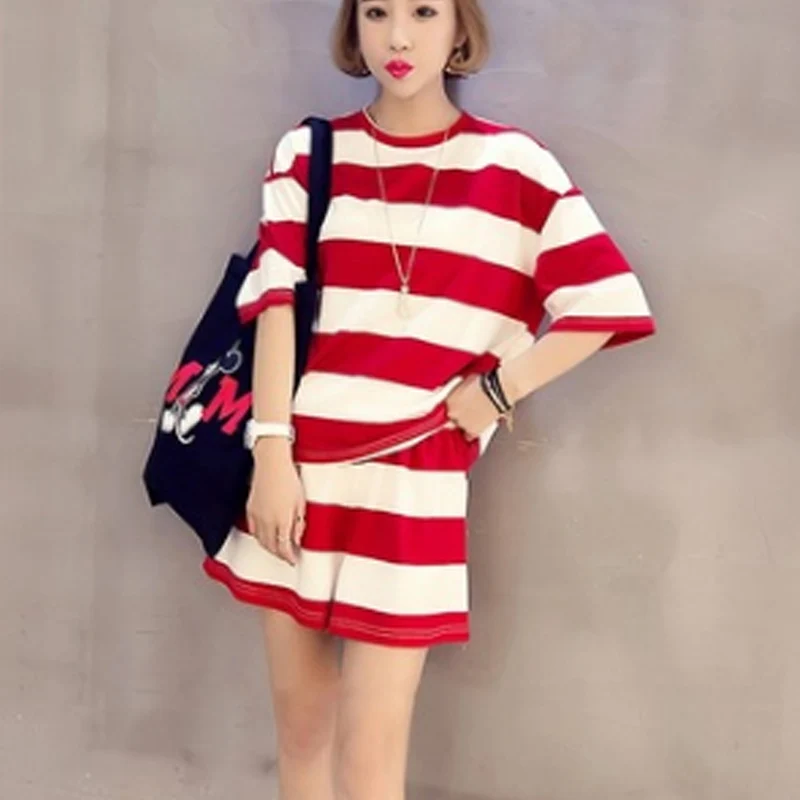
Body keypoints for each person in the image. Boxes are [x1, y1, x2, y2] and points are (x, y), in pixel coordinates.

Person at [202, 0, 656, 797]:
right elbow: (274, 306)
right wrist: (272, 457)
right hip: (296, 479)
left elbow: (608, 301)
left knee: (372, 755)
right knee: (302, 734)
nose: (400, 37)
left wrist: (498, 391)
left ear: (459, 28)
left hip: (411, 486)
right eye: (377, 12)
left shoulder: (514, 167)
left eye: (423, 11)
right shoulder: (309, 153)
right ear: (354, 27)